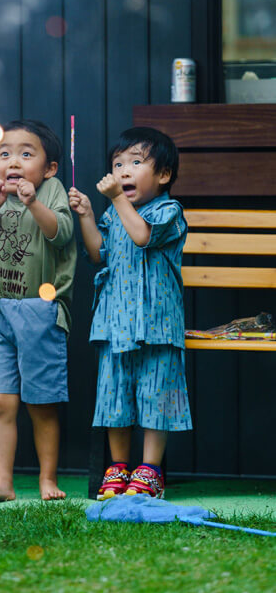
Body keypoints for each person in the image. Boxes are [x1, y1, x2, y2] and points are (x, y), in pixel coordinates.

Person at [69, 126, 191, 499]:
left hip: (158, 325)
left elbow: (142, 235)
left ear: (163, 175)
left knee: (157, 396)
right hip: (115, 324)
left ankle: (150, 471)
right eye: (117, 163)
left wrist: (117, 200)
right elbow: (97, 254)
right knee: (114, 397)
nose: (122, 171)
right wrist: (89, 215)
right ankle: (118, 468)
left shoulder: (169, 211)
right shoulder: (113, 214)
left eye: (135, 163)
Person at [0, 120, 77, 502]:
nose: (14, 161)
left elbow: (60, 232)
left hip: (39, 310)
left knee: (40, 401)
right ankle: (3, 482)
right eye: (5, 153)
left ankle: (47, 479)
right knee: (0, 401)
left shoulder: (52, 190)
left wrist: (33, 201)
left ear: (49, 168)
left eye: (27, 153)